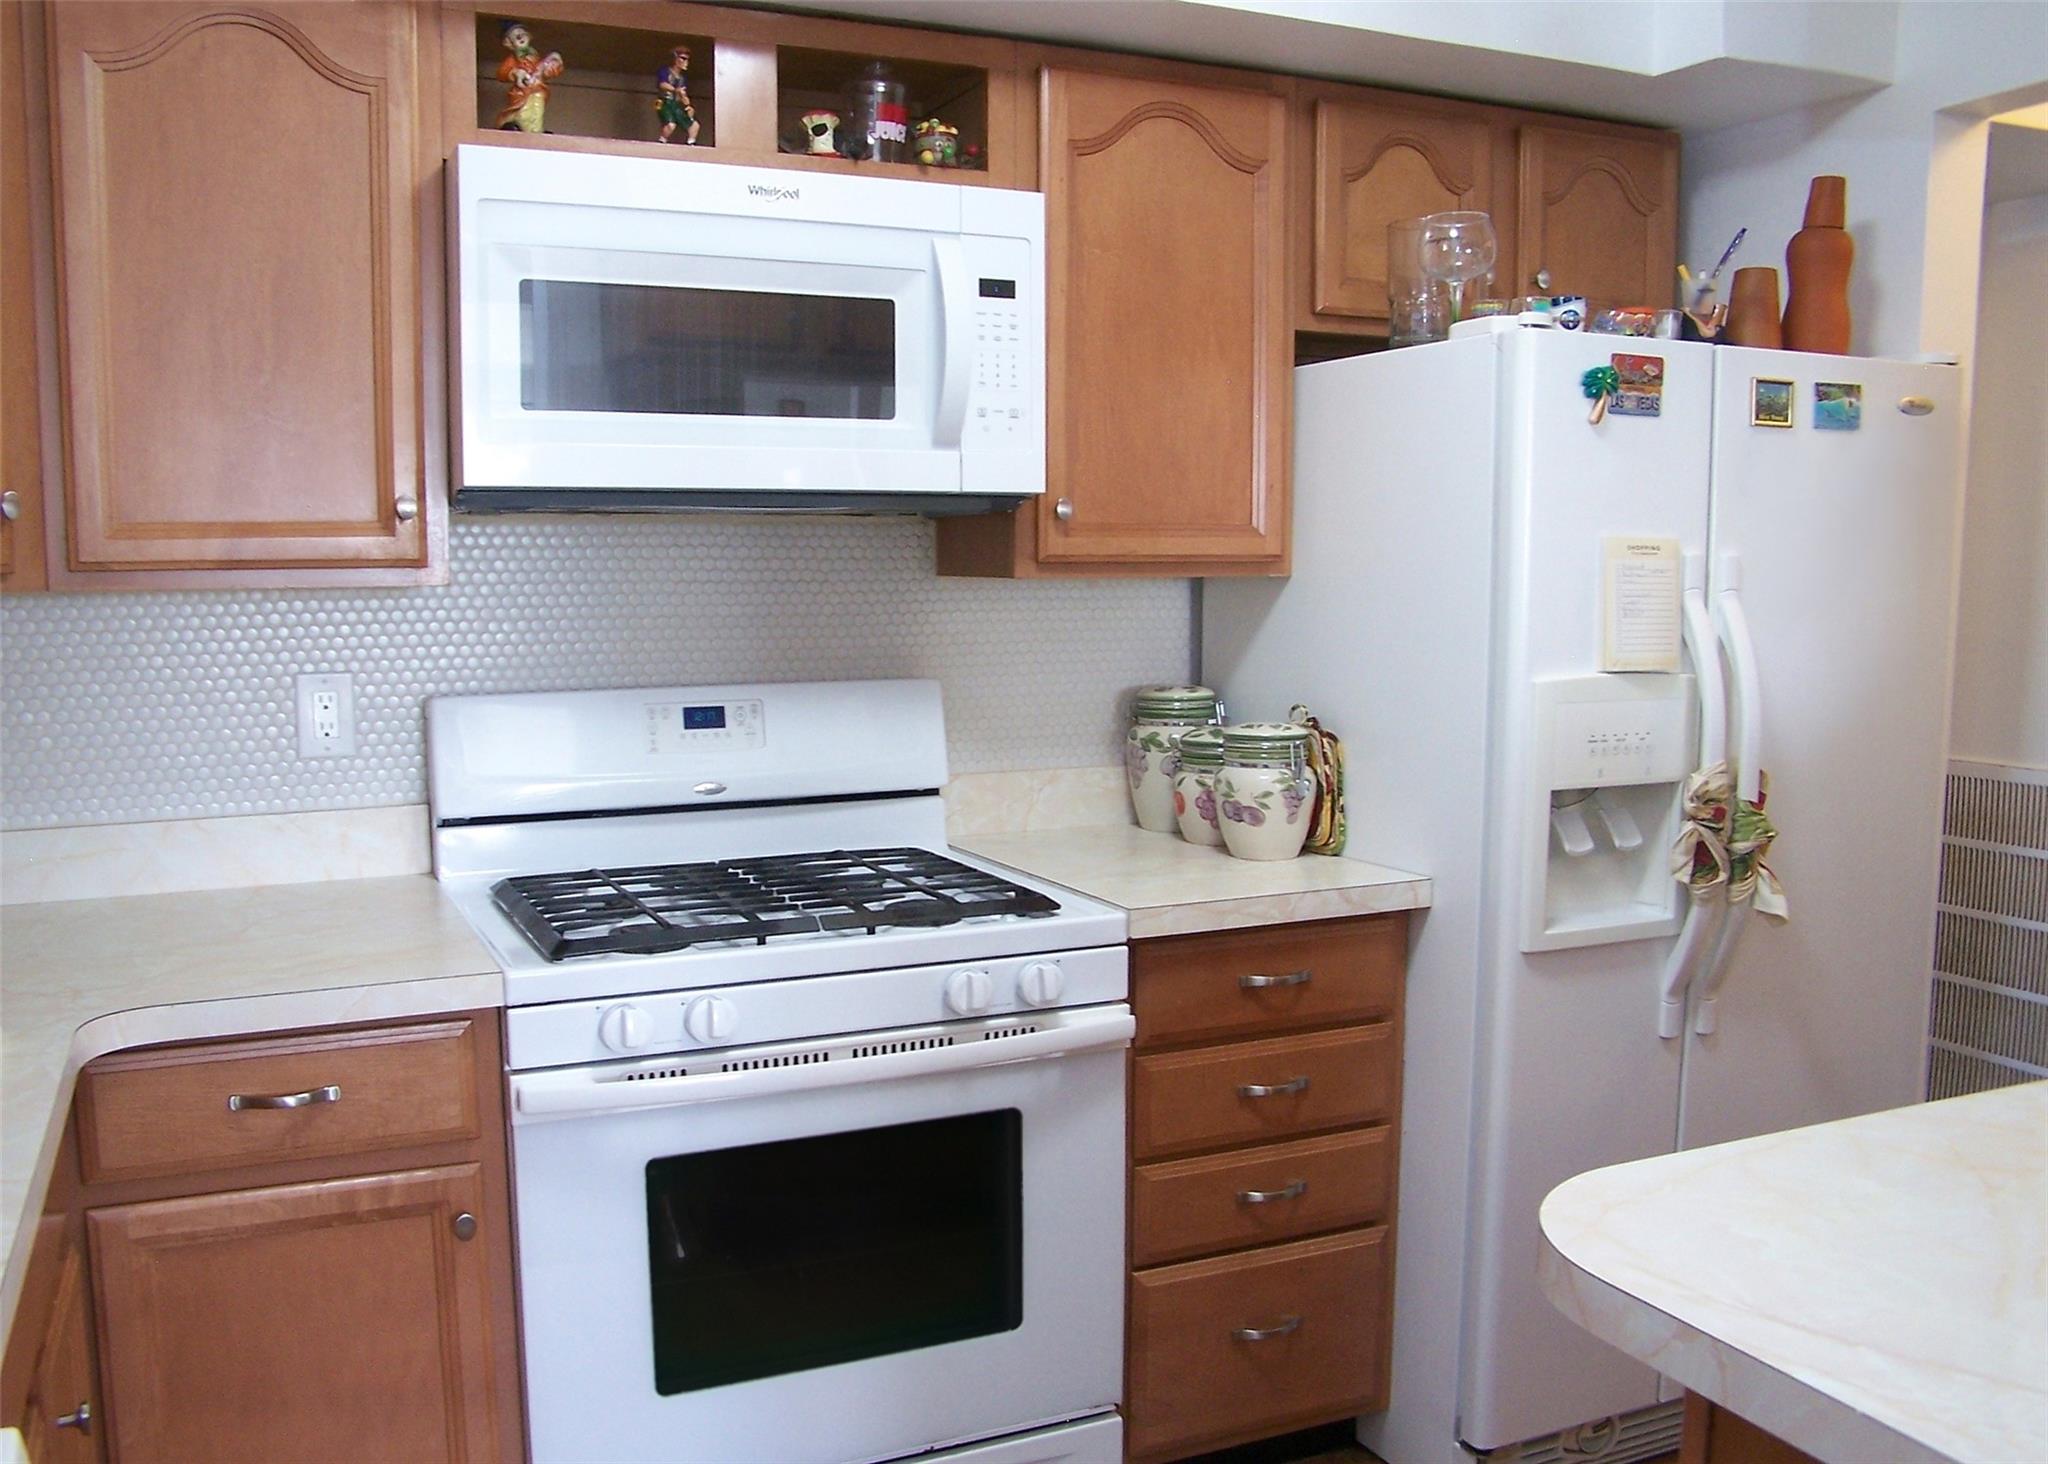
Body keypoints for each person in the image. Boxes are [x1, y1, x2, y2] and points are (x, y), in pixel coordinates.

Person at [496, 23, 563, 133]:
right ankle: (522, 130)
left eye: (523, 34)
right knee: (524, 112)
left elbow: (545, 71)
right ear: (508, 43)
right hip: (521, 93)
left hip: (538, 89)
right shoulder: (513, 59)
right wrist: (516, 73)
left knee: (537, 110)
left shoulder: (535, 57)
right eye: (516, 36)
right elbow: (501, 73)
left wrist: (552, 66)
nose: (520, 37)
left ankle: (536, 132)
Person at [656, 46, 700, 145]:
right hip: (664, 102)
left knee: (694, 125)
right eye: (683, 58)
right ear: (675, 59)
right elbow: (662, 84)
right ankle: (662, 141)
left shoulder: (682, 78)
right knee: (670, 125)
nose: (686, 62)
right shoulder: (665, 71)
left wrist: (688, 106)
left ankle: (691, 144)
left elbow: (683, 94)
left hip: (676, 104)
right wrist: (676, 90)